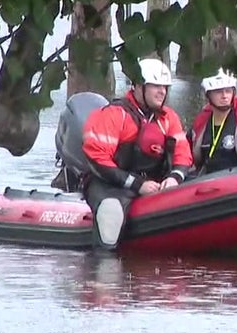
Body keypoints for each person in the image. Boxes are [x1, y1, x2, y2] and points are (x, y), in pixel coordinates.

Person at [81, 58, 193, 250]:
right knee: (111, 213)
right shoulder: (114, 114)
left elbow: (183, 154)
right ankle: (105, 271)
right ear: (139, 86)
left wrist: (174, 177)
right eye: (155, 86)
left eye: (164, 87)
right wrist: (137, 184)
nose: (162, 92)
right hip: (111, 184)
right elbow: (97, 157)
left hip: (155, 184)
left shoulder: (168, 118)